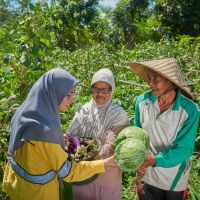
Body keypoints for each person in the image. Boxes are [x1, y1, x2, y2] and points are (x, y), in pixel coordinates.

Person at [3, 68, 116, 200]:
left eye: (73, 94)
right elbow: (68, 172)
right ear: (53, 93)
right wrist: (104, 164)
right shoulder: (46, 130)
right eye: (68, 95)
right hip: (37, 193)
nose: (71, 100)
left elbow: (33, 147)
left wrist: (54, 140)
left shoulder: (26, 112)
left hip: (16, 184)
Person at [128, 58, 199, 200]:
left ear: (170, 82)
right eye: (149, 78)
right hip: (146, 173)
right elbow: (137, 135)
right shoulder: (142, 102)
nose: (150, 84)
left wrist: (154, 160)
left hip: (173, 178)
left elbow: (184, 149)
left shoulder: (189, 110)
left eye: (156, 79)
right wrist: (135, 160)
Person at [66, 68, 130, 200]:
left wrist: (82, 151)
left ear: (111, 90)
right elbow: (69, 136)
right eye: (96, 89)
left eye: (104, 90)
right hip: (83, 175)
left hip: (106, 177)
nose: (99, 94)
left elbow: (110, 146)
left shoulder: (119, 115)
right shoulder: (85, 110)